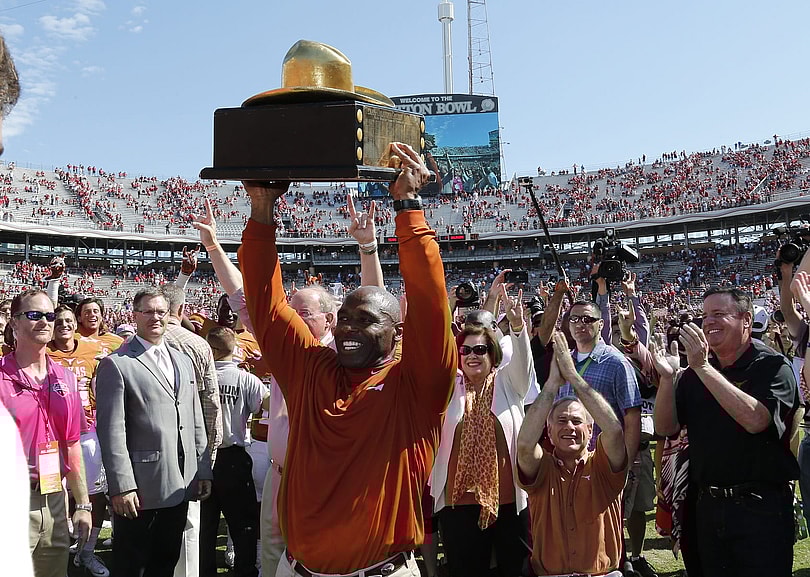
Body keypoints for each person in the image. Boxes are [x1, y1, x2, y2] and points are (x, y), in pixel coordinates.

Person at [239, 142, 457, 575]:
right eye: (345, 318)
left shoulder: (416, 387)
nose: (350, 327)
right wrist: (262, 208)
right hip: (296, 568)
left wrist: (408, 209)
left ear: (397, 334)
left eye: (367, 319)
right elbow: (267, 306)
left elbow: (431, 306)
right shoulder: (310, 370)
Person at [191, 193, 383, 577]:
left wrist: (367, 247)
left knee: (319, 561)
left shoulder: (348, 356)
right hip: (278, 474)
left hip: (323, 481)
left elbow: (375, 307)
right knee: (273, 559)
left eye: (303, 313)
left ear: (330, 319)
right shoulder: (284, 347)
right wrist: (213, 246)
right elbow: (243, 296)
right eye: (290, 311)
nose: (292, 319)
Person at [654, 286, 800, 577]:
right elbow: (665, 427)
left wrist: (703, 367)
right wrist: (668, 379)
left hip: (759, 508)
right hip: (707, 506)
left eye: (719, 314)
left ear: (746, 320)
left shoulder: (771, 365)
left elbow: (756, 420)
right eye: (705, 315)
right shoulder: (694, 373)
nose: (707, 322)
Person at [95, 287, 213, 577]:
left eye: (161, 311)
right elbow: (111, 431)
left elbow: (196, 418)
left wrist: (203, 469)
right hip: (139, 488)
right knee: (132, 565)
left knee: (166, 560)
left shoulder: (183, 360)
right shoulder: (117, 364)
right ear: (135, 315)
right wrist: (121, 485)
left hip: (180, 483)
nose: (155, 318)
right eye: (148, 311)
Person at [431, 284, 534, 577]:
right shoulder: (449, 388)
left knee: (516, 571)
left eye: (481, 349)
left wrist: (516, 326)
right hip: (458, 503)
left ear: (493, 354)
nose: (473, 355)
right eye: (466, 350)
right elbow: (434, 349)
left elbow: (523, 366)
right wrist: (445, 308)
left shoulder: (508, 384)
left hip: (508, 502)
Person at [517, 331, 628, 576]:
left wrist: (574, 378)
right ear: (549, 428)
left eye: (577, 421)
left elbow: (614, 431)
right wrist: (552, 385)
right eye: (562, 420)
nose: (569, 427)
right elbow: (524, 446)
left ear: (590, 430)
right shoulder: (542, 467)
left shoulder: (602, 465)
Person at [0, 289, 92, 577]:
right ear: (14, 323)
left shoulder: (65, 377)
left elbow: (72, 444)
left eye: (49, 315)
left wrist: (84, 504)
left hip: (54, 497)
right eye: (34, 315)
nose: (44, 321)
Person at [158, 283, 223, 577]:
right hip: (189, 445)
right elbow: (211, 403)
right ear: (182, 310)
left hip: (150, 447)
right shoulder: (197, 344)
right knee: (189, 526)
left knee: (149, 527)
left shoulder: (135, 342)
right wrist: (208, 457)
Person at [46, 304, 110, 577]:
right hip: (48, 438)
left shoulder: (94, 348)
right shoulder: (42, 351)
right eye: (58, 320)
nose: (64, 324)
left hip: (85, 433)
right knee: (50, 492)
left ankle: (88, 550)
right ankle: (54, 549)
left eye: (69, 320)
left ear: (76, 324)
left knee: (93, 493)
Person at [201, 326, 269, 577]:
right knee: (243, 524)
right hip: (233, 456)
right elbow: (267, 405)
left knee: (206, 526)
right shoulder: (246, 378)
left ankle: (204, 571)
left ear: (212, 350)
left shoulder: (199, 377)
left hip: (203, 457)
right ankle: (245, 570)